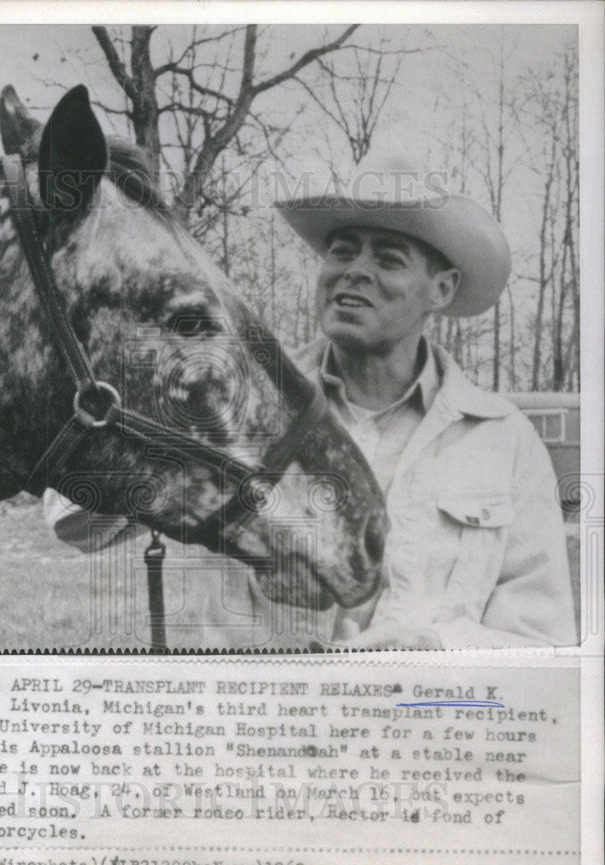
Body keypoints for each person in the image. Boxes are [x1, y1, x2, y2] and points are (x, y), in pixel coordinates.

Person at [45, 152, 577, 650]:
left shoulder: (502, 440)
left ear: (441, 290)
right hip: (254, 730)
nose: (354, 270)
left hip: (419, 732)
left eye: (388, 259)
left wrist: (438, 646)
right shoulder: (232, 396)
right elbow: (74, 524)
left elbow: (541, 643)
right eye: (342, 252)